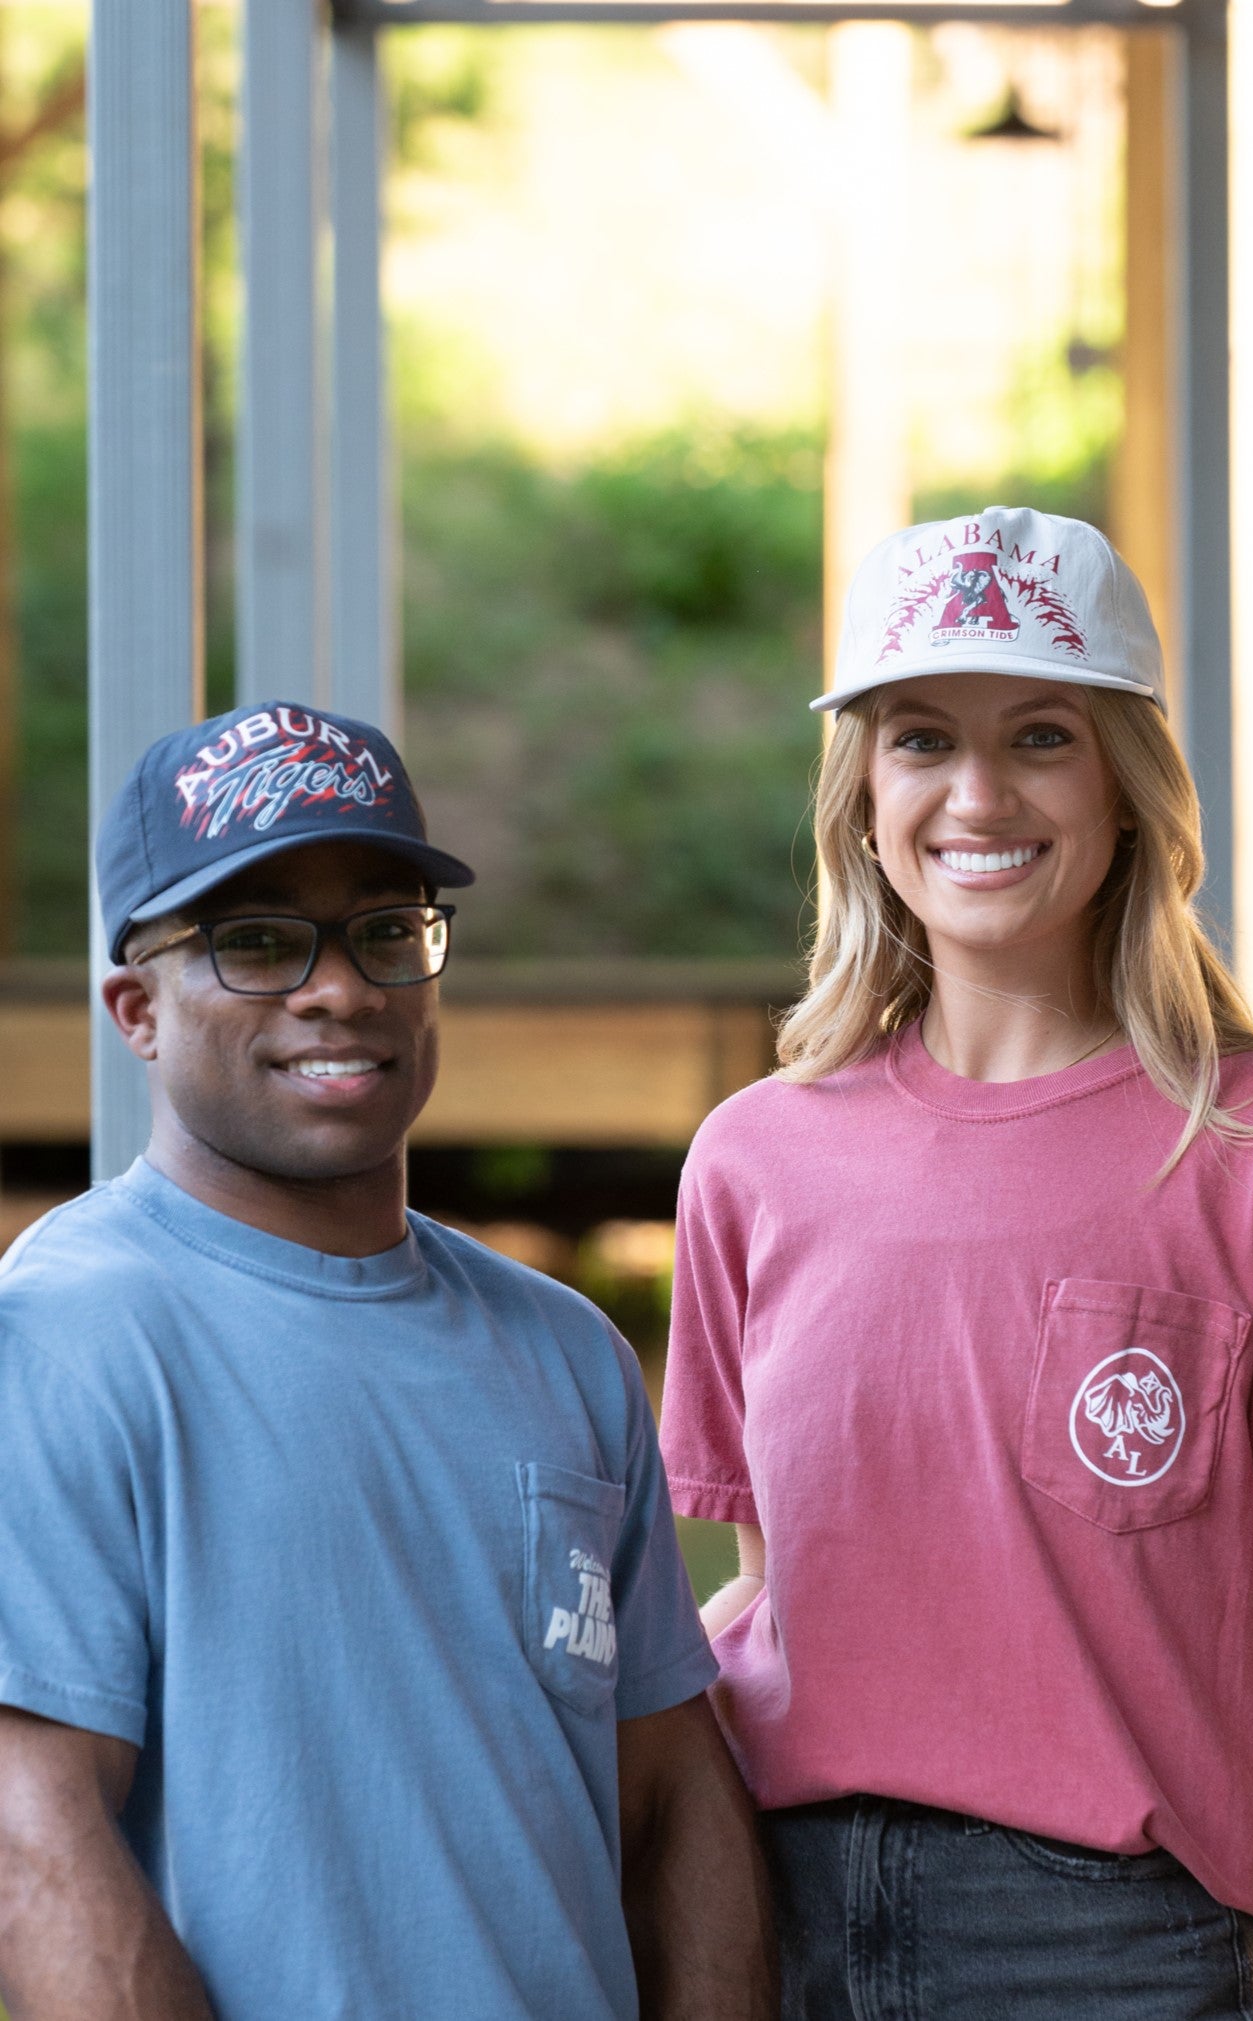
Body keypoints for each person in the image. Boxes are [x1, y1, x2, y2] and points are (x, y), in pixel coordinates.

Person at [660, 507, 1253, 2020]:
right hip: (774, 1922)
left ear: (1127, 790)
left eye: (1040, 734)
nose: (976, 793)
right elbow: (774, 1595)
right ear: (862, 796)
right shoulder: (753, 1162)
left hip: (1112, 1954)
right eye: (920, 739)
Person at [0, 701, 775, 2021]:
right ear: (136, 1008)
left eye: (385, 928)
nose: (340, 986)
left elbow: (673, 1792)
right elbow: (32, 1831)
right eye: (254, 941)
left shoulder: (566, 1349)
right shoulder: (60, 1337)